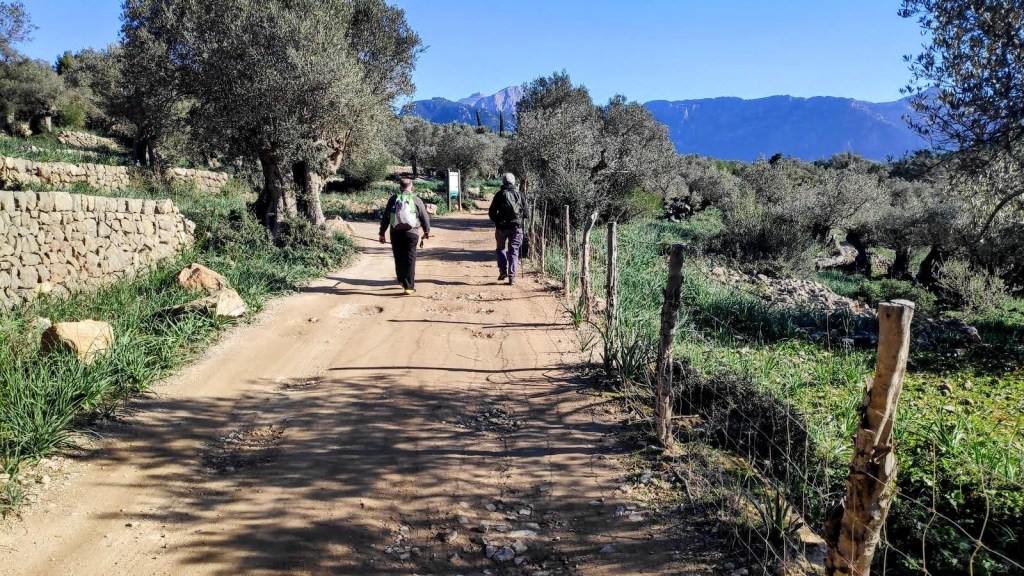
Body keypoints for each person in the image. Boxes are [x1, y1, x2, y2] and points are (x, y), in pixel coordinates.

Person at [379, 178, 431, 295]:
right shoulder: (416, 200)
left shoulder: (393, 199)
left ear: (399, 188)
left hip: (395, 233)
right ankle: (409, 287)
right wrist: (426, 231)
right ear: (412, 187)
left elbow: (386, 217)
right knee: (410, 258)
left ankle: (402, 280)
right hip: (412, 233)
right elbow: (424, 217)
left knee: (398, 257)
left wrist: (382, 233)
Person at [488, 173, 525, 285]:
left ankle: (503, 270)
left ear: (503, 182)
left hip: (501, 228)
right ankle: (512, 276)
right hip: (516, 227)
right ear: (514, 182)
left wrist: (498, 222)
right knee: (514, 251)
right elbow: (527, 213)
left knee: (500, 249)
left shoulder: (499, 194)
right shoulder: (520, 194)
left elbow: (491, 212)